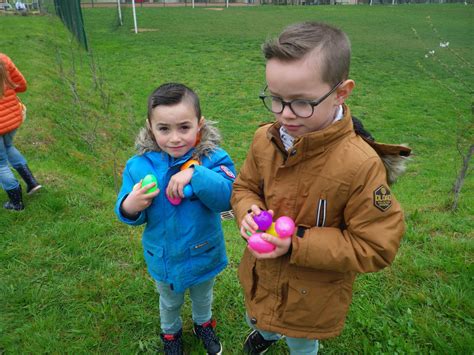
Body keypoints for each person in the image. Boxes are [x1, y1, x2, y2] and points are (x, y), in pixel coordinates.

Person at [231, 22, 411, 354]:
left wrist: (296, 243)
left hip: (309, 297)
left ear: (341, 92)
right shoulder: (264, 140)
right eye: (275, 99)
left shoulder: (360, 165)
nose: (284, 114)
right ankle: (266, 336)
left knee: (301, 340)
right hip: (262, 275)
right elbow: (244, 187)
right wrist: (247, 210)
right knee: (258, 317)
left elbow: (376, 245)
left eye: (301, 103)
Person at [115, 83, 236, 355]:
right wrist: (130, 206)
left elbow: (228, 196)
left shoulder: (214, 159)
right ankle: (171, 334)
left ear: (199, 124)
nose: (174, 139)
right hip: (164, 257)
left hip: (204, 251)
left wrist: (195, 173)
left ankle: (203, 324)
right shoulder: (139, 166)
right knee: (169, 302)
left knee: (203, 296)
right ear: (150, 126)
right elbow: (127, 211)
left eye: (184, 127)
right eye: (164, 129)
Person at [0, 53, 42, 211]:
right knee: (8, 147)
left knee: (0, 163)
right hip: (12, 118)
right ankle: (32, 182)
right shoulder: (3, 59)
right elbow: (22, 86)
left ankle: (16, 202)